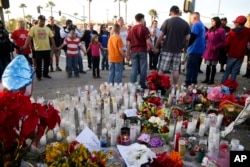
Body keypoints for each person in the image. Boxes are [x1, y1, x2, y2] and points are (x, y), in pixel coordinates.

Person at [155, 5, 190, 85]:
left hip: (167, 49)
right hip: (178, 50)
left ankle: (159, 85)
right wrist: (184, 47)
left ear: (171, 12)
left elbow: (160, 36)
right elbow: (187, 38)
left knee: (162, 69)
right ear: (178, 12)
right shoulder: (185, 23)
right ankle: (174, 86)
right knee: (176, 69)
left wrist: (156, 46)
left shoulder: (167, 21)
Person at [22, 15, 56, 81]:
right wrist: (25, 45)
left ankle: (45, 74)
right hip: (38, 50)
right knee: (38, 64)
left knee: (47, 63)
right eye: (41, 21)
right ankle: (39, 76)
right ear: (38, 21)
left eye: (43, 21)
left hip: (47, 49)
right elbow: (29, 38)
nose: (42, 22)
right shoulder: (33, 28)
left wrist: (54, 46)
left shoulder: (47, 29)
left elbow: (51, 38)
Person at [126, 13, 156, 89]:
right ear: (142, 19)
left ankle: (132, 85)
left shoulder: (131, 29)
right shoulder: (144, 28)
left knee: (134, 68)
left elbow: (128, 43)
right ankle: (142, 84)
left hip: (134, 51)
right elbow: (148, 42)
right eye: (144, 19)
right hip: (142, 50)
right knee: (143, 69)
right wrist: (154, 49)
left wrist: (128, 53)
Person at [221, 15, 250, 83]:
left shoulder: (231, 32)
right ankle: (231, 86)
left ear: (238, 23)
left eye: (235, 22)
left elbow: (227, 44)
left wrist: (226, 51)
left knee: (227, 70)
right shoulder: (248, 31)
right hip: (240, 54)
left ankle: (223, 84)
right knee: (235, 71)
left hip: (231, 54)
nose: (234, 23)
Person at [202, 17, 225, 85]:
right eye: (211, 21)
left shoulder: (221, 30)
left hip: (215, 50)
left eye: (213, 21)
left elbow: (223, 41)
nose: (211, 22)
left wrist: (216, 47)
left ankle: (211, 80)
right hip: (208, 50)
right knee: (208, 65)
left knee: (213, 66)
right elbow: (205, 36)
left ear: (217, 22)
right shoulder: (210, 29)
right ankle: (206, 79)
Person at [184, 12, 206, 86]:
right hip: (200, 49)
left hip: (194, 49)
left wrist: (187, 45)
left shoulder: (196, 25)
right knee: (195, 66)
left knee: (189, 66)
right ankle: (193, 81)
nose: (190, 20)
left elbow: (193, 36)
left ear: (194, 18)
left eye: (190, 18)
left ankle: (188, 82)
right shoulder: (202, 25)